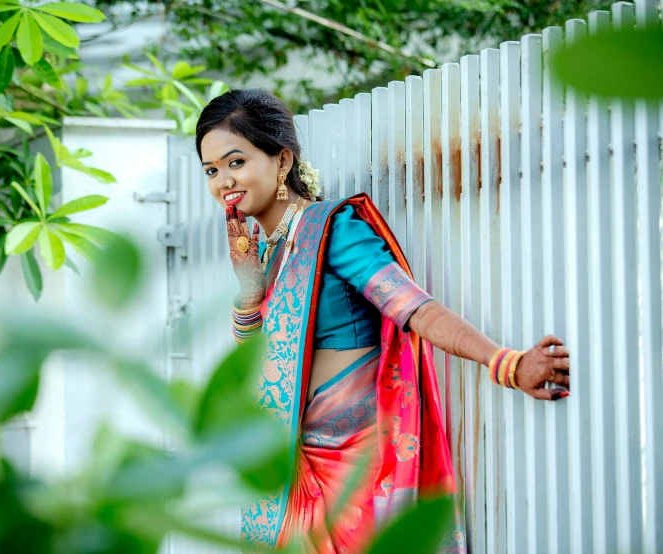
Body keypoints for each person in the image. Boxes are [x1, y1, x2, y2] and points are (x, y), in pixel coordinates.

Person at [196, 89, 571, 554]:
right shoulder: (264, 250)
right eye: (211, 170)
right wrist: (249, 294)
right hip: (293, 469)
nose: (222, 181)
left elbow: (415, 309)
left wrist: (506, 363)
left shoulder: (332, 229)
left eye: (235, 162)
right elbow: (259, 368)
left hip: (355, 470)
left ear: (282, 161)